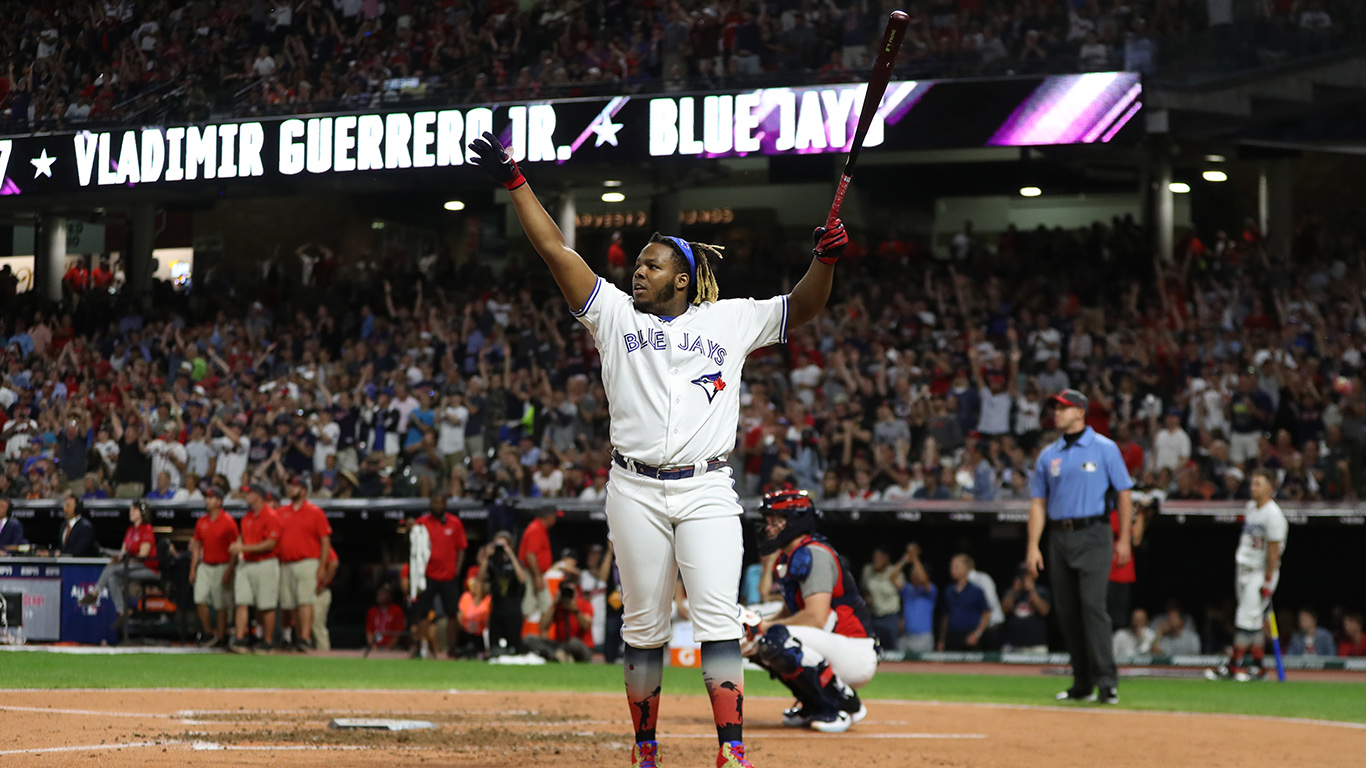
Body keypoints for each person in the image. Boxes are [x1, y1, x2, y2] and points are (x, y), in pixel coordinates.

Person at [470, 128, 843, 768]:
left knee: (718, 621)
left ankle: (732, 751)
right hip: (633, 489)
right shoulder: (615, 314)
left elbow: (803, 307)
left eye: (650, 264)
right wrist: (515, 182)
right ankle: (646, 751)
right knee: (642, 628)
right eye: (637, 264)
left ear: (685, 277)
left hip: (706, 488)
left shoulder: (731, 318)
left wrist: (827, 260)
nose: (636, 271)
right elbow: (556, 251)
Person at [1026, 388, 1134, 705]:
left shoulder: (1104, 448)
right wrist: (1033, 545)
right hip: (1059, 536)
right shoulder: (1049, 454)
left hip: (1094, 533)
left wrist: (1124, 538)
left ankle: (1107, 681)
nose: (1056, 413)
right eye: (1054, 408)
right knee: (1068, 612)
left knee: (1092, 606)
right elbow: (1037, 503)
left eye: (1063, 408)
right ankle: (1082, 683)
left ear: (1080, 412)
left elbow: (1124, 493)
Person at [748, 490, 874, 734]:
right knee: (750, 640)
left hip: (853, 648)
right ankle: (813, 702)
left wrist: (763, 627)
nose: (769, 528)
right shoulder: (789, 557)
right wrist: (756, 624)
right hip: (831, 644)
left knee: (776, 639)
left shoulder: (813, 553)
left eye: (776, 521)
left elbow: (816, 617)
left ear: (795, 521)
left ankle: (842, 704)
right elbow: (790, 611)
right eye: (768, 521)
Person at [1207, 468, 1287, 681]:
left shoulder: (1274, 515)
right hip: (1244, 568)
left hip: (1260, 572)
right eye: (1252, 483)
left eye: (1258, 484)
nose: (1253, 487)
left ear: (1270, 487)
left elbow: (1273, 552)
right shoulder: (1251, 507)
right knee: (1252, 620)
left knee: (1244, 619)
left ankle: (1232, 667)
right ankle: (1259, 667)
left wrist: (1268, 580)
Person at [78, 499, 158, 629]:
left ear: (142, 513)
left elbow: (143, 555)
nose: (130, 512)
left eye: (134, 510)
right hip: (130, 566)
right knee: (112, 578)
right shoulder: (130, 531)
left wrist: (123, 560)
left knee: (112, 570)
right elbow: (123, 552)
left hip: (148, 567)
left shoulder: (146, 530)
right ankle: (123, 612)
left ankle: (94, 594)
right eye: (130, 509)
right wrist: (116, 558)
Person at [276, 475, 332, 652]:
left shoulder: (315, 512)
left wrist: (322, 566)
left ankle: (304, 638)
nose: (290, 489)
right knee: (288, 603)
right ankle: (291, 638)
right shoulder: (281, 512)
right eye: (289, 486)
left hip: (307, 562)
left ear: (303, 490)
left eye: (294, 486)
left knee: (305, 601)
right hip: (285, 563)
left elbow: (325, 540)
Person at [408, 494, 468, 658]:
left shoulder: (455, 523)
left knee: (452, 613)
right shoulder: (422, 522)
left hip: (448, 575)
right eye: (434, 502)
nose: (436, 505)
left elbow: (461, 547)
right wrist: (409, 526)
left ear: (445, 504)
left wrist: (457, 570)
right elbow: (406, 529)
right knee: (422, 612)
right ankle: (421, 647)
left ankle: (452, 648)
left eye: (439, 502)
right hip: (427, 575)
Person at [229, 485, 282, 653]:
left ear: (258, 496)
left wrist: (243, 548)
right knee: (241, 602)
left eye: (249, 493)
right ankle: (239, 639)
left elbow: (271, 543)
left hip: (265, 562)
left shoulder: (271, 515)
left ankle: (267, 642)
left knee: (266, 605)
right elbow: (242, 538)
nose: (246, 495)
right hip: (247, 563)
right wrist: (238, 545)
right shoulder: (247, 517)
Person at [190, 487, 238, 648]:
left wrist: (229, 570)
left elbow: (234, 550)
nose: (207, 501)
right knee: (199, 598)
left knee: (220, 604)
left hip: (222, 565)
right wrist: (192, 569)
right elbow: (197, 546)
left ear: (219, 501)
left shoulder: (228, 521)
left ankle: (221, 636)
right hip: (205, 565)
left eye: (211, 498)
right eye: (207, 498)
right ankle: (208, 632)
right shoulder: (201, 521)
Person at [481, 530, 529, 656]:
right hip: (497, 609)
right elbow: (480, 579)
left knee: (514, 649)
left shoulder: (515, 563)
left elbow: (522, 579)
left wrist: (510, 554)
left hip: (513, 609)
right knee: (495, 648)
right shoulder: (493, 563)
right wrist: (486, 557)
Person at [525, 580, 595, 663]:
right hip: (561, 645)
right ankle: (557, 657)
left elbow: (586, 625)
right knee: (529, 639)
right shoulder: (557, 606)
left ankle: (562, 657)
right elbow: (542, 627)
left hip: (581, 646)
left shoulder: (584, 605)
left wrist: (575, 610)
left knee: (573, 643)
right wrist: (554, 605)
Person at [938, 554, 990, 652]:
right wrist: (942, 639)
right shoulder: (949, 590)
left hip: (969, 637)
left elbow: (986, 614)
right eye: (951, 566)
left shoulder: (976, 591)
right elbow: (946, 616)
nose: (952, 569)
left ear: (966, 569)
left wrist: (977, 634)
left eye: (956, 566)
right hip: (952, 636)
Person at [517, 507, 556, 626]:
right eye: (555, 516)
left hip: (534, 574)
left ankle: (537, 639)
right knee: (544, 606)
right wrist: (537, 576)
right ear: (549, 516)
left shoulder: (539, 528)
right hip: (531, 574)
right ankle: (525, 638)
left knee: (536, 607)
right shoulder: (536, 529)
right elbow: (530, 555)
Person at [1000, 565, 1052, 653]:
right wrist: (1013, 592)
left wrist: (1032, 591)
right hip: (1013, 645)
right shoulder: (1010, 592)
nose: (1024, 578)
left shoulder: (1042, 591)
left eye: (1027, 575)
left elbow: (1044, 611)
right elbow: (1003, 611)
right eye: (1021, 575)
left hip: (1036, 646)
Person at [896, 543, 936, 654]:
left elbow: (923, 579)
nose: (914, 575)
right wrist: (905, 559)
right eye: (912, 572)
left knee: (924, 669)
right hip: (906, 637)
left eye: (916, 572)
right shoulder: (907, 589)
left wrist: (915, 559)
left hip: (923, 638)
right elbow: (892, 576)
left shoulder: (930, 590)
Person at [860, 547, 902, 650]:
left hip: (891, 617)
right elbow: (864, 590)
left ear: (886, 558)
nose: (876, 560)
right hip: (873, 616)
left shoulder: (895, 571)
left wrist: (902, 617)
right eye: (874, 557)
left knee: (892, 649)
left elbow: (904, 595)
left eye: (879, 557)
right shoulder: (868, 570)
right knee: (871, 647)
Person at [365, 585, 407, 655]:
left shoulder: (396, 610)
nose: (380, 596)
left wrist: (388, 648)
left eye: (383, 593)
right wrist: (373, 647)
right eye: (379, 594)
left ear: (390, 596)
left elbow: (398, 633)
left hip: (393, 648)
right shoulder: (372, 611)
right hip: (375, 647)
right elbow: (369, 632)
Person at [313, 545, 339, 651]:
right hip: (307, 592)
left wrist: (324, 584)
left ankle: (324, 652)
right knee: (307, 627)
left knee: (317, 624)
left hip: (320, 593)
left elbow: (333, 563)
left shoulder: (321, 546)